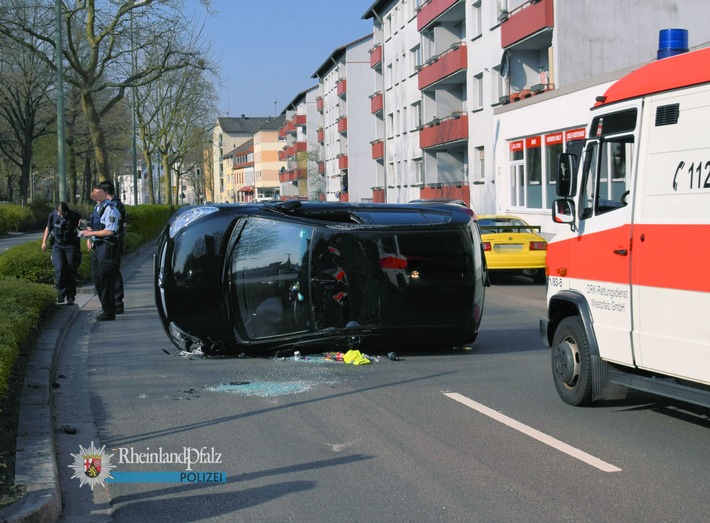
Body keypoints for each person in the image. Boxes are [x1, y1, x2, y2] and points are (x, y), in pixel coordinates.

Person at [79, 182, 122, 321]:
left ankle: (109, 311)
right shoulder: (98, 208)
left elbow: (110, 230)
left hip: (107, 247)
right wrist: (88, 232)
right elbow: (98, 226)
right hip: (98, 246)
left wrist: (93, 234)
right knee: (97, 278)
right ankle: (106, 307)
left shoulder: (111, 209)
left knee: (106, 279)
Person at [41, 202, 82, 305]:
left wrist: (88, 240)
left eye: (63, 214)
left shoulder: (75, 216)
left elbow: (83, 229)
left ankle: (71, 296)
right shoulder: (52, 215)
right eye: (59, 214)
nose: (61, 216)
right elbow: (48, 228)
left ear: (67, 211)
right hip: (57, 245)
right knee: (60, 268)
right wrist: (44, 242)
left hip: (71, 246)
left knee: (71, 269)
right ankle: (60, 294)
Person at [107, 185, 126, 314]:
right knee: (113, 271)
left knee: (113, 272)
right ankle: (115, 301)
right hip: (115, 241)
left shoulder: (114, 206)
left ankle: (117, 302)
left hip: (113, 242)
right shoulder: (117, 204)